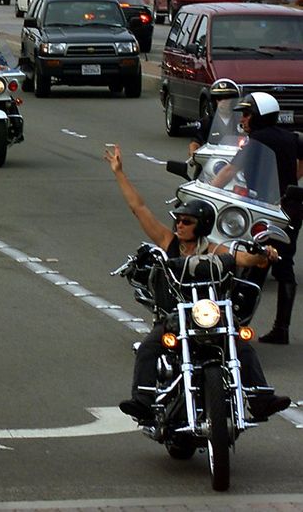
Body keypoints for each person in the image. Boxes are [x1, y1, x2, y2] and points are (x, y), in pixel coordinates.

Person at [104, 144, 291, 423]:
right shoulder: (169, 243)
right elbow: (139, 208)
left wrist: (264, 255)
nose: (179, 225)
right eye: (178, 220)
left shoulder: (215, 249)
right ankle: (143, 401)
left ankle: (260, 399)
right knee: (148, 348)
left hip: (209, 316)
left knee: (241, 343)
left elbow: (243, 258)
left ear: (201, 225)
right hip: (174, 317)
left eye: (186, 221)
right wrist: (119, 173)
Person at [213, 93, 303, 345]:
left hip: (265, 208)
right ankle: (281, 328)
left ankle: (240, 324)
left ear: (260, 116)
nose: (243, 118)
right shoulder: (290, 137)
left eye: (248, 113)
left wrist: (208, 192)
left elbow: (229, 170)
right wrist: (291, 181)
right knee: (282, 264)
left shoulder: (256, 141)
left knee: (254, 261)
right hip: (289, 207)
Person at [188, 78, 241, 156]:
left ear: (234, 101)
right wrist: (193, 154)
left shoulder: (242, 121)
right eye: (219, 99)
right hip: (212, 162)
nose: (222, 102)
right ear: (214, 102)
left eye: (226, 98)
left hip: (237, 162)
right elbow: (195, 141)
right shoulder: (206, 122)